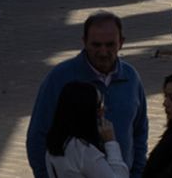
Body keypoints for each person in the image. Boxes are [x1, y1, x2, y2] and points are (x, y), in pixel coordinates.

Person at [27, 12, 149, 178]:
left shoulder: (131, 78)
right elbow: (38, 136)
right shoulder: (60, 78)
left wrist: (137, 173)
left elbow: (139, 131)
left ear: (121, 43)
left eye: (110, 45)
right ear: (84, 42)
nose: (103, 52)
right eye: (96, 45)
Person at [44, 81, 130, 178]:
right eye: (99, 106)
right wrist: (111, 142)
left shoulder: (55, 144)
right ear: (87, 112)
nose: (104, 110)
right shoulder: (84, 151)